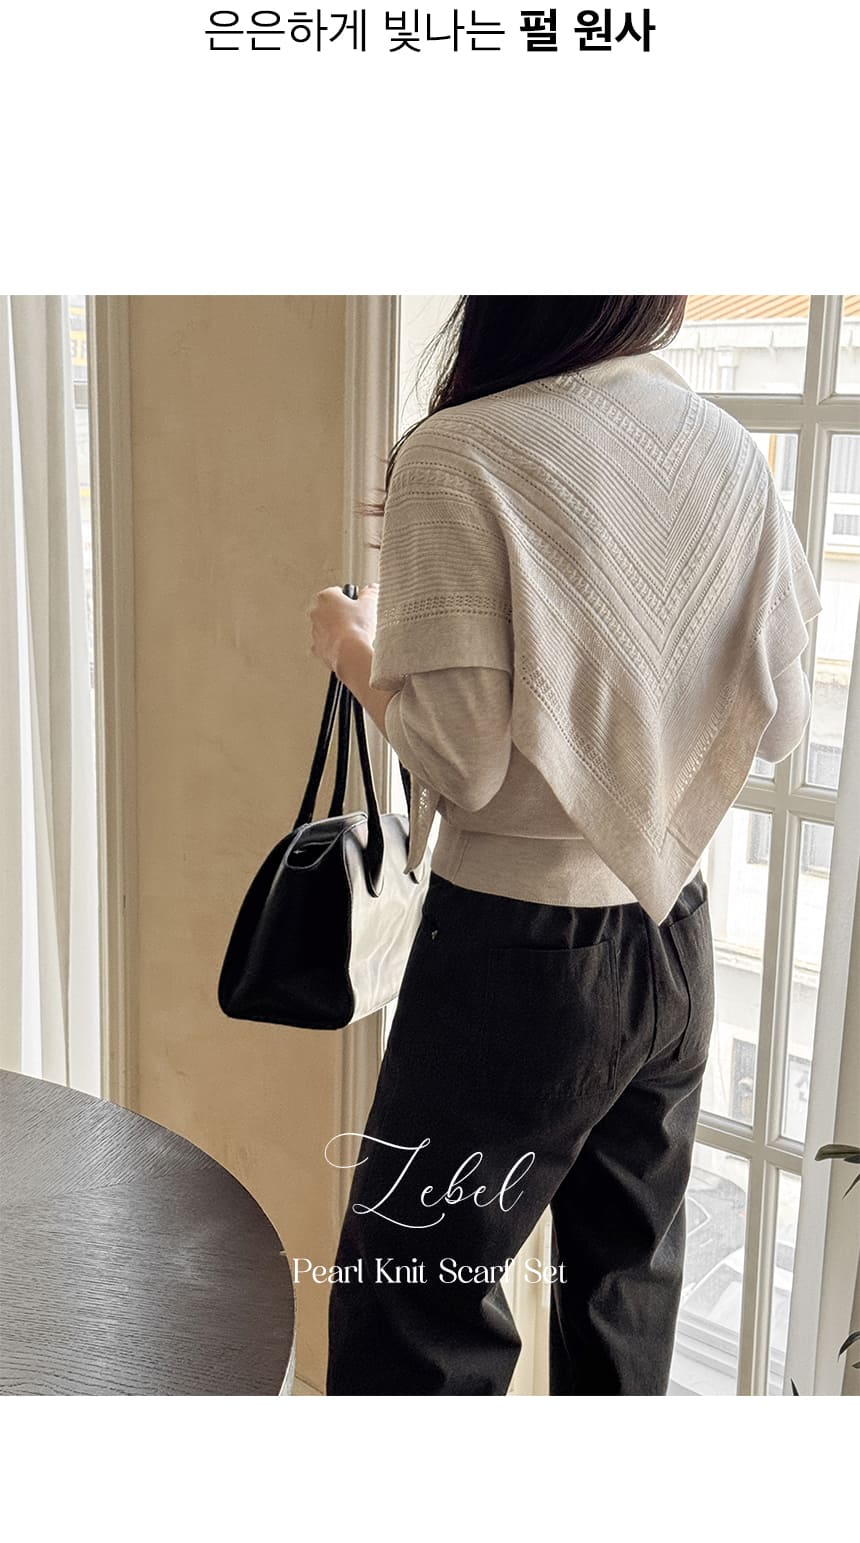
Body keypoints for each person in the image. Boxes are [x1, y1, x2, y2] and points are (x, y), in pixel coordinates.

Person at [307, 296, 822, 1396]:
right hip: (674, 941)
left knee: (412, 1306)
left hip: (516, 953)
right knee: (622, 1295)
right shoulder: (723, 446)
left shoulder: (461, 450)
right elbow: (781, 722)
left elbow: (463, 761)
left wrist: (352, 645)